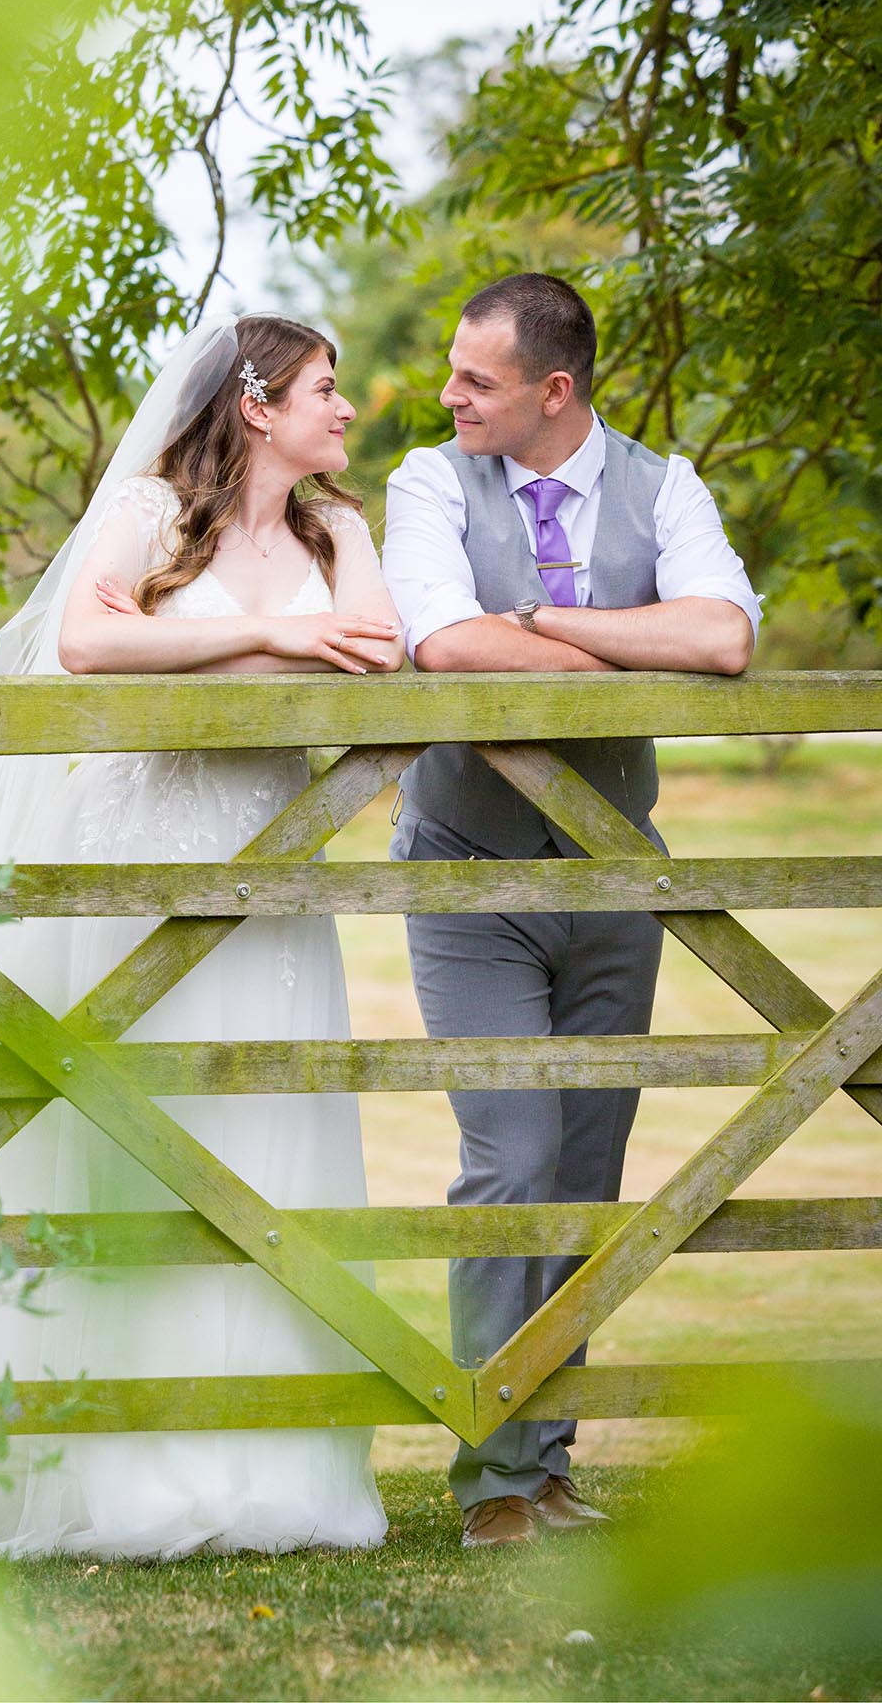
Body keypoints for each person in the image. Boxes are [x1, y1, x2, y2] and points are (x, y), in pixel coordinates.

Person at [0, 313, 403, 1560]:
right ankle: (124, 1467)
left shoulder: (337, 529)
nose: (343, 409)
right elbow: (88, 645)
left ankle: (272, 1467)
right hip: (141, 860)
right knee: (141, 1146)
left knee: (266, 1144)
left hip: (271, 869)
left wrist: (288, 614)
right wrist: (267, 634)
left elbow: (373, 651)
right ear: (256, 405)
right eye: (323, 387)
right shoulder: (148, 510)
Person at [382, 273, 761, 1551]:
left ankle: (548, 1467)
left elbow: (720, 639)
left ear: (554, 391)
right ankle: (492, 1476)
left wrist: (542, 619)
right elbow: (441, 643)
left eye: (473, 380)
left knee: (588, 1176)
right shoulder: (429, 482)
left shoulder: (669, 486)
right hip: (465, 872)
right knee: (511, 1163)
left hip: (615, 877)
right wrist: (617, 643)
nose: (448, 397)